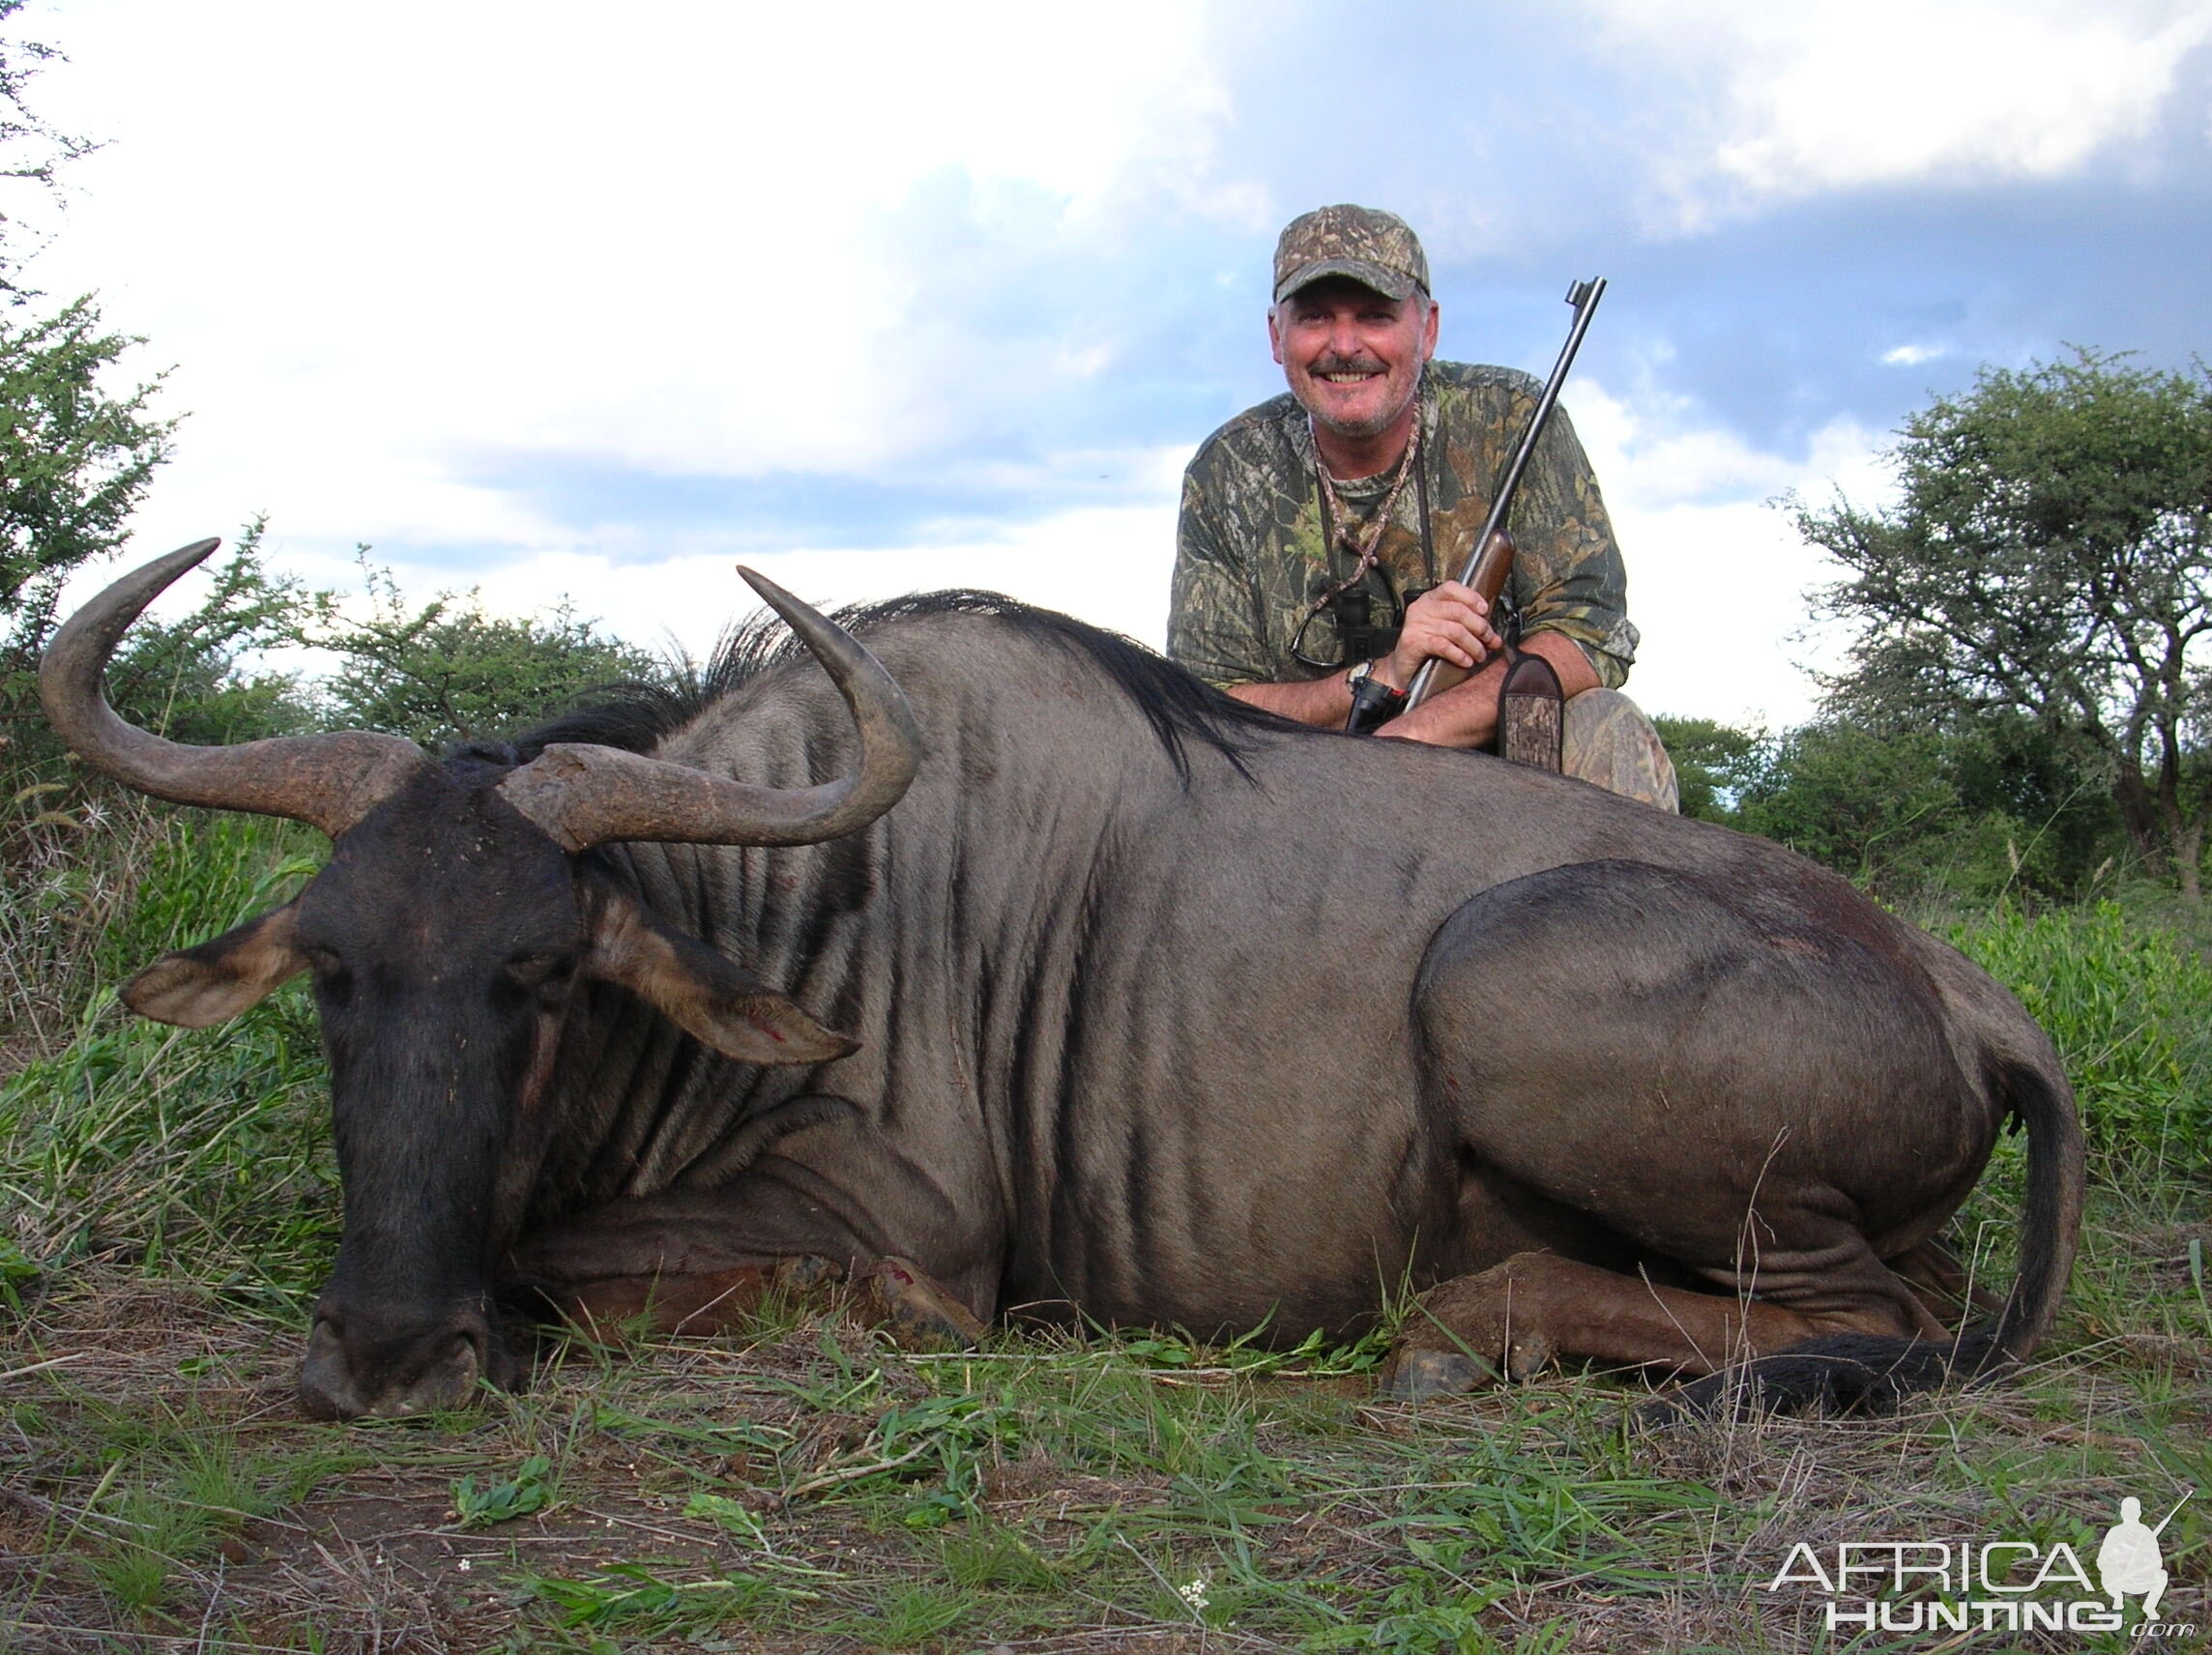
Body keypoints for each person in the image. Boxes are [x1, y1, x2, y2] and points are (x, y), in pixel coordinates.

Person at [1169, 203, 1676, 808]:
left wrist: (1414, 734)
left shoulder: (1513, 419)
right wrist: (1380, 679)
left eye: (1376, 317)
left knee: (1605, 724)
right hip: (1303, 789)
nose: (1345, 345)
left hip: (1504, 766)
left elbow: (1590, 631)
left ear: (1428, 328)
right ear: (1278, 337)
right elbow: (1209, 698)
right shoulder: (1227, 469)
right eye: (1315, 318)